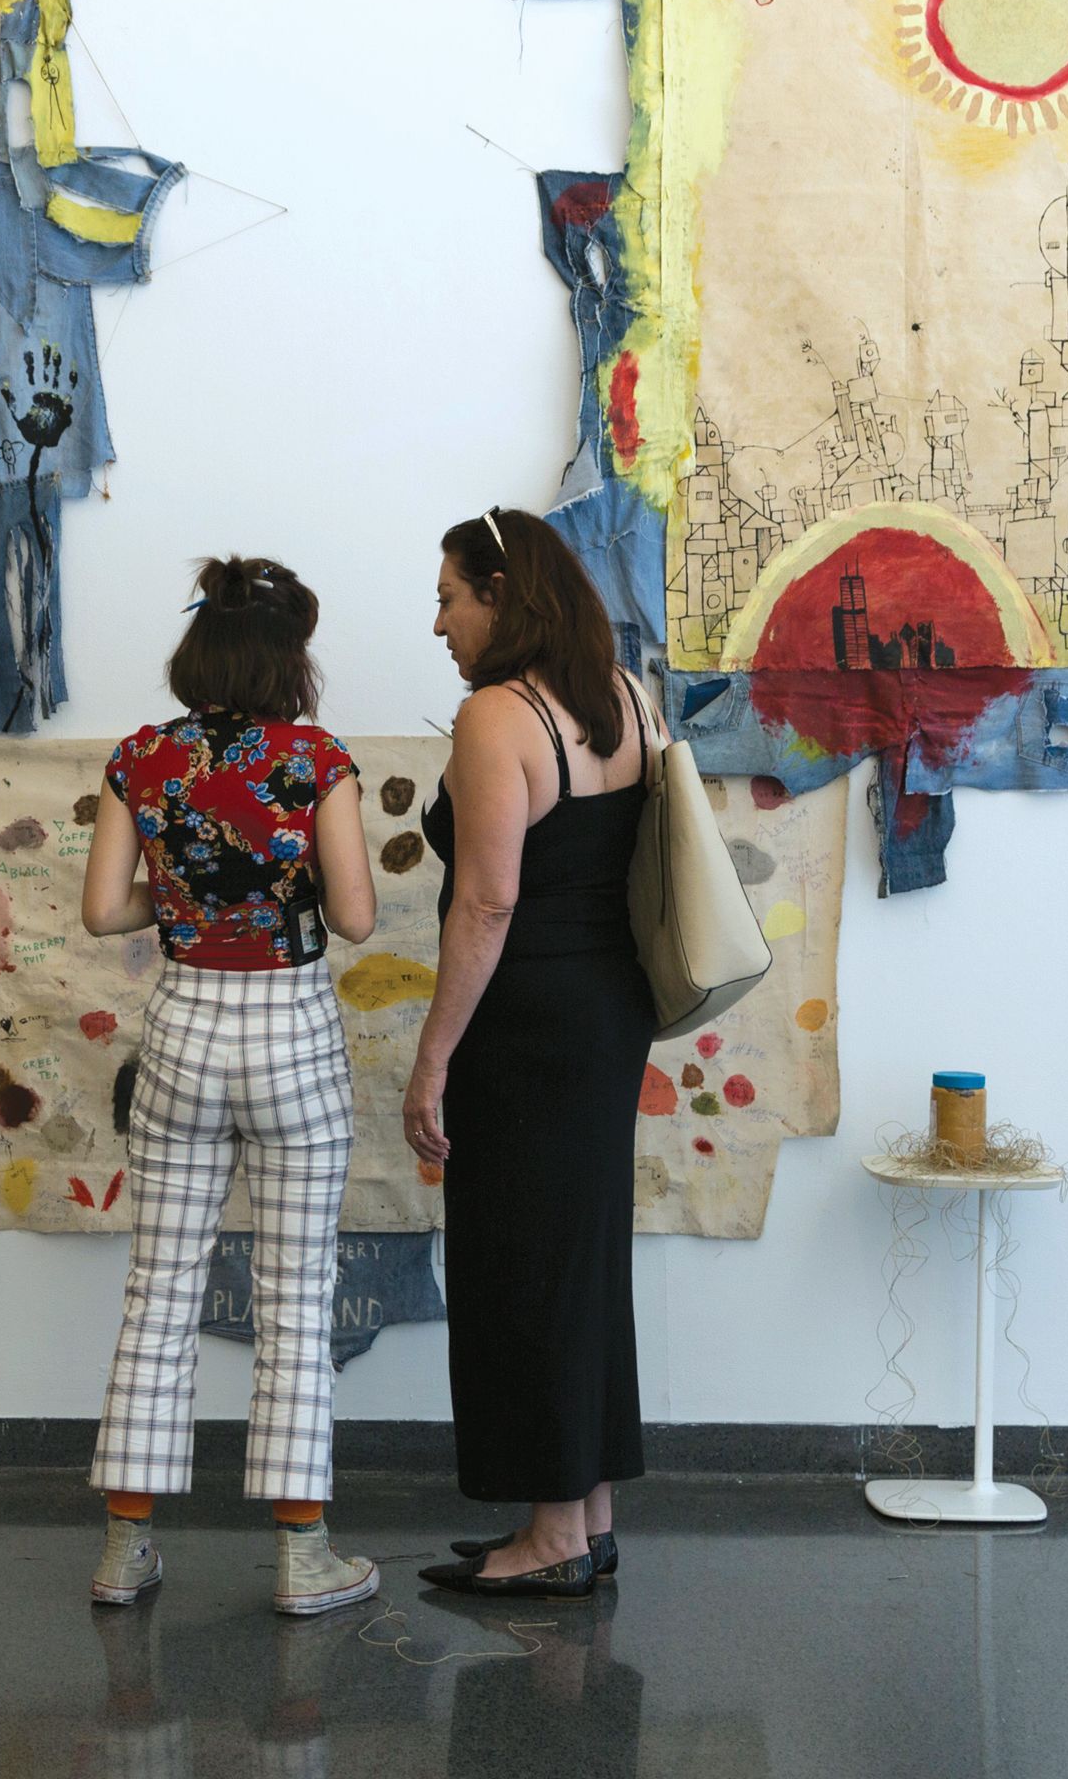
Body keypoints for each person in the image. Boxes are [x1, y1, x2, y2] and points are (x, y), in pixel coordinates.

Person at [82, 555, 384, 1618]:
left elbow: (103, 911)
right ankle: (304, 1558)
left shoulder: (140, 758)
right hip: (290, 1034)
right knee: (296, 1297)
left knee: (159, 1290)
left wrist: (183, 902)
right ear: (286, 660)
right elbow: (355, 918)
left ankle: (126, 1552)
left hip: (182, 1033)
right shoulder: (315, 760)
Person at [405, 505, 662, 1599]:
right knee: (582, 1263)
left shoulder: (496, 717)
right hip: (608, 1011)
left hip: (526, 1025)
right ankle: (586, 1518)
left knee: (523, 1267)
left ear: (501, 596)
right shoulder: (627, 697)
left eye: (449, 598)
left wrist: (433, 1057)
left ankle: (552, 1536)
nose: (439, 623)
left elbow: (489, 900)